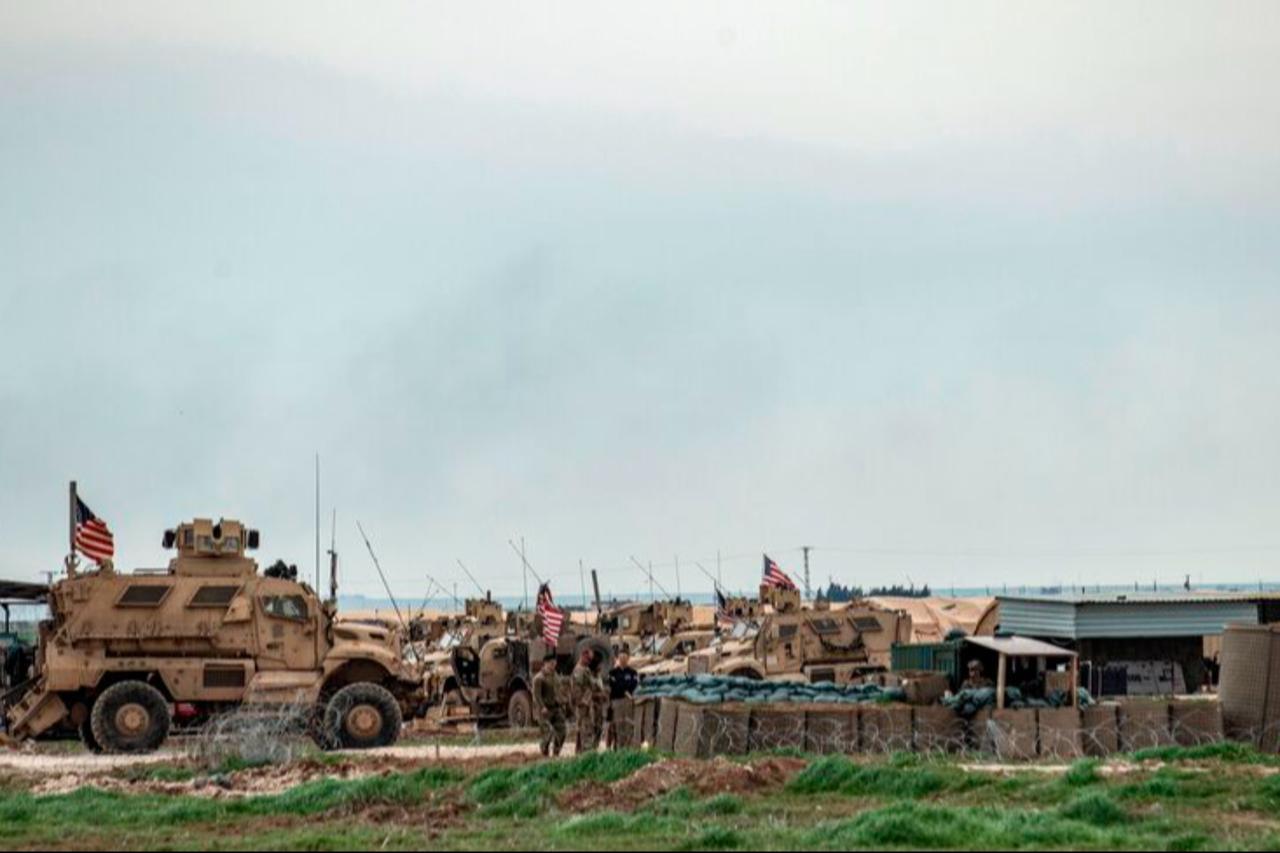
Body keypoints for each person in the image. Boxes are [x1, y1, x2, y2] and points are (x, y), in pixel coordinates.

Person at [572, 648, 608, 752]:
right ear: (583, 656)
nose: (588, 661)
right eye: (587, 659)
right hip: (584, 705)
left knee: (587, 728)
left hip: (589, 704)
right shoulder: (579, 670)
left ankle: (582, 750)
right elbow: (578, 690)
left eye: (590, 660)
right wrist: (588, 699)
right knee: (586, 729)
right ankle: (586, 752)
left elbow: (591, 686)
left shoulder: (586, 670)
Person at [532, 652, 566, 757]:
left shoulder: (555, 676)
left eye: (554, 663)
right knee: (548, 733)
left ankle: (556, 752)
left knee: (562, 730)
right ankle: (544, 752)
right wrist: (542, 707)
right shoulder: (539, 678)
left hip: (556, 708)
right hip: (545, 710)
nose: (553, 665)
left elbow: (559, 690)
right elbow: (537, 695)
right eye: (551, 663)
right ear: (545, 663)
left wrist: (563, 702)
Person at [606, 647, 640, 749]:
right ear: (618, 658)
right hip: (617, 701)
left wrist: (626, 689)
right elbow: (615, 686)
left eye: (625, 657)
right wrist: (625, 690)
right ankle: (619, 747)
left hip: (628, 701)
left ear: (628, 658)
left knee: (628, 725)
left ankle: (628, 747)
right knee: (618, 726)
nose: (623, 659)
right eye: (621, 657)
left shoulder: (632, 672)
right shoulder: (613, 673)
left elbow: (634, 684)